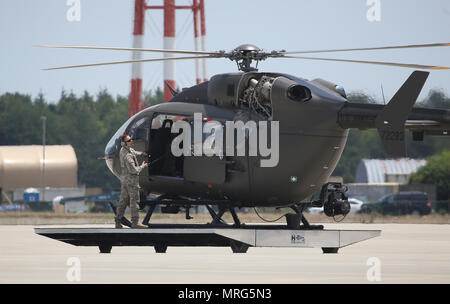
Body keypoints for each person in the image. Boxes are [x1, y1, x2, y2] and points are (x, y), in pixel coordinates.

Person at [115, 134, 149, 229]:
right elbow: (133, 170)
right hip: (131, 181)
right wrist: (142, 166)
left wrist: (142, 153)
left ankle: (117, 222)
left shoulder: (124, 150)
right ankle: (135, 222)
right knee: (134, 201)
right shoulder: (127, 156)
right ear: (123, 143)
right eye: (129, 140)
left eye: (131, 139)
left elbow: (134, 152)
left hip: (125, 181)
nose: (132, 141)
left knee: (123, 201)